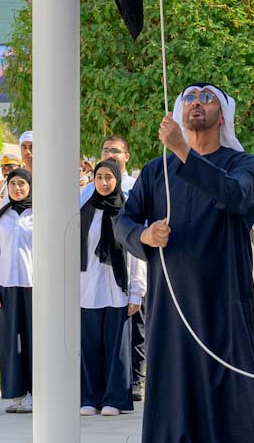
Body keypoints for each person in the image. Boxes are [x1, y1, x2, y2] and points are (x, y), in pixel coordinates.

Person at [114, 83, 254, 443]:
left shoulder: (243, 164)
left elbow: (233, 195)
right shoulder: (157, 172)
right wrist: (144, 235)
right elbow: (123, 222)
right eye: (190, 98)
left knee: (232, 406)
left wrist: (182, 150)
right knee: (174, 399)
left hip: (225, 307)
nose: (197, 103)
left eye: (207, 98)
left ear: (224, 116)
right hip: (171, 310)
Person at [81, 158, 144, 416]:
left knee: (117, 347)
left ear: (117, 179)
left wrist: (137, 291)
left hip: (119, 289)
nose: (104, 182)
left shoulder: (127, 213)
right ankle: (89, 398)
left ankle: (115, 399)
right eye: (99, 177)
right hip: (88, 288)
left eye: (109, 177)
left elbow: (138, 253)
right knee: (90, 346)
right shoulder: (85, 211)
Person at [0, 167, 37, 414]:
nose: (17, 189)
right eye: (13, 184)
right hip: (7, 287)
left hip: (34, 287)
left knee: (33, 340)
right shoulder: (2, 217)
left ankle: (36, 392)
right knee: (10, 341)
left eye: (22, 184)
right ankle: (17, 392)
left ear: (30, 186)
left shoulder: (39, 214)